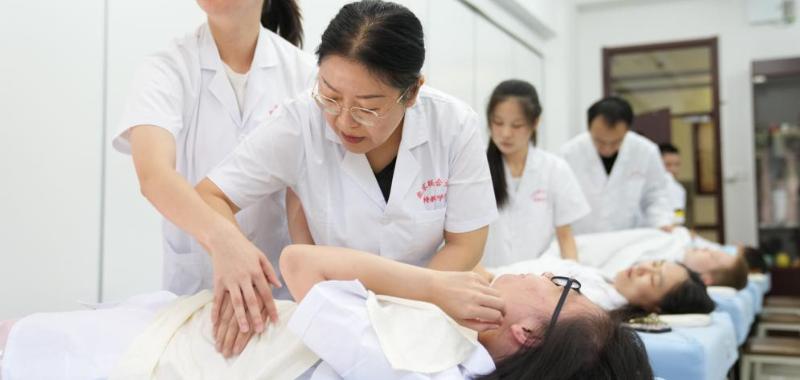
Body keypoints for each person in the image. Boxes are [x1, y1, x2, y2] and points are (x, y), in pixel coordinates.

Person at [170, 0, 499, 341]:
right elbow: (211, 194)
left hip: (428, 314)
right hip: (337, 315)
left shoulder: (453, 125)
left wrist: (408, 309)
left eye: (367, 109)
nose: (343, 122)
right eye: (330, 96)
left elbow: (466, 242)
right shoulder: (300, 123)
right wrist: (230, 248)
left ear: (412, 92)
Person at [0, 246, 655, 380]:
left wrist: (433, 285)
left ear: (526, 333)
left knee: (23, 340)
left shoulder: (422, 366)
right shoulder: (456, 345)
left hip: (199, 353)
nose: (544, 273)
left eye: (561, 287)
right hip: (218, 326)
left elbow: (302, 263)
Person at [112, 0, 315, 308]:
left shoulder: (305, 73)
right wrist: (224, 239)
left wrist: (310, 284)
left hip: (284, 289)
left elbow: (307, 189)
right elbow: (153, 174)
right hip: (195, 287)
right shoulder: (168, 66)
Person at [481, 80, 589, 266]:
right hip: (486, 278)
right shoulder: (474, 165)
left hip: (538, 279)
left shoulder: (554, 168)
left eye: (516, 125)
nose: (506, 133)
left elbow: (565, 236)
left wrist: (574, 276)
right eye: (498, 122)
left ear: (535, 122)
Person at [560, 97, 672, 234]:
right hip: (584, 238)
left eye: (615, 142)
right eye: (599, 141)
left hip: (629, 237)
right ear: (588, 128)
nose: (607, 149)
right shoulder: (569, 153)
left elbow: (655, 195)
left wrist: (662, 221)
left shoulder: (646, 152)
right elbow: (561, 202)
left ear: (627, 131)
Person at [484, 256, 715, 315]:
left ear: (656, 308)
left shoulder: (593, 302)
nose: (644, 268)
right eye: (655, 263)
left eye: (654, 279)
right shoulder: (608, 282)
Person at [541, 227, 750, 290]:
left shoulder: (669, 279)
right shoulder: (676, 241)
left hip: (567, 267)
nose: (706, 249)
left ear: (706, 279)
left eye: (712, 256)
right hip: (569, 253)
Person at [660, 143, 687, 226]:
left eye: (677, 164)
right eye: (668, 165)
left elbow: (679, 215)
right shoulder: (648, 188)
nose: (673, 169)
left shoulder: (679, 190)